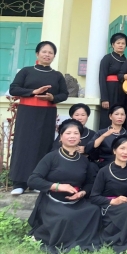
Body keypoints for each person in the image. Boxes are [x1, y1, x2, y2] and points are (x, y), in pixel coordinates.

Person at [27, 119, 101, 254]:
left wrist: (82, 193)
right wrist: (57, 186)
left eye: (76, 133)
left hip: (75, 200)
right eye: (68, 133)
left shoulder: (84, 161)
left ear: (80, 137)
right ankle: (44, 236)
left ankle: (81, 242)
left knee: (94, 210)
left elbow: (90, 183)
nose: (72, 136)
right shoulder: (51, 157)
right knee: (66, 216)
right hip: (52, 200)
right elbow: (33, 180)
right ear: (61, 137)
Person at [9, 41, 69, 195]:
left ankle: (37, 182)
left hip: (47, 113)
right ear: (37, 54)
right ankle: (19, 183)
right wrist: (33, 91)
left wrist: (52, 96)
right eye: (44, 51)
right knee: (24, 144)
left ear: (54, 56)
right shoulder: (26, 71)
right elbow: (14, 88)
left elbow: (64, 94)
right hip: (27, 112)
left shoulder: (57, 75)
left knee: (42, 145)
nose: (47, 55)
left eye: (50, 53)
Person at [99, 33, 127, 129]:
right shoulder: (107, 58)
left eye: (123, 43)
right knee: (108, 116)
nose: (120, 45)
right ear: (113, 45)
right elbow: (102, 77)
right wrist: (104, 98)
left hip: (123, 91)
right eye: (118, 43)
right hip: (110, 90)